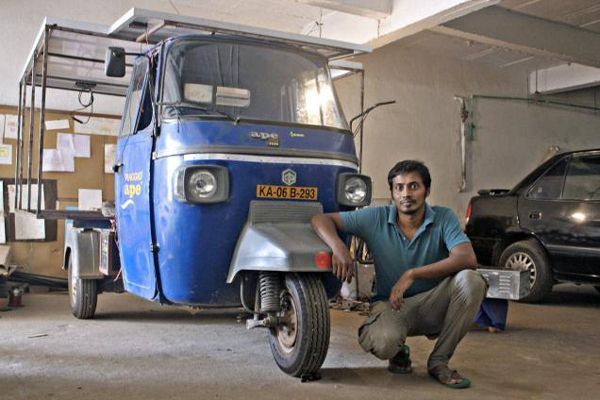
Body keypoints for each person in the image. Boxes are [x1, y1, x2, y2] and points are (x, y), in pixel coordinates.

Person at [311, 160, 487, 389]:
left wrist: (412, 274)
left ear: (427, 190)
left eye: (414, 186)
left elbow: (467, 258)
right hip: (392, 305)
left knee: (471, 281)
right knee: (383, 342)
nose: (406, 193)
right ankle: (398, 351)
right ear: (393, 193)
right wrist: (338, 247)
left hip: (434, 302)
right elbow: (320, 219)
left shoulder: (444, 218)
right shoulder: (376, 218)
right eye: (399, 187)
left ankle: (439, 361)